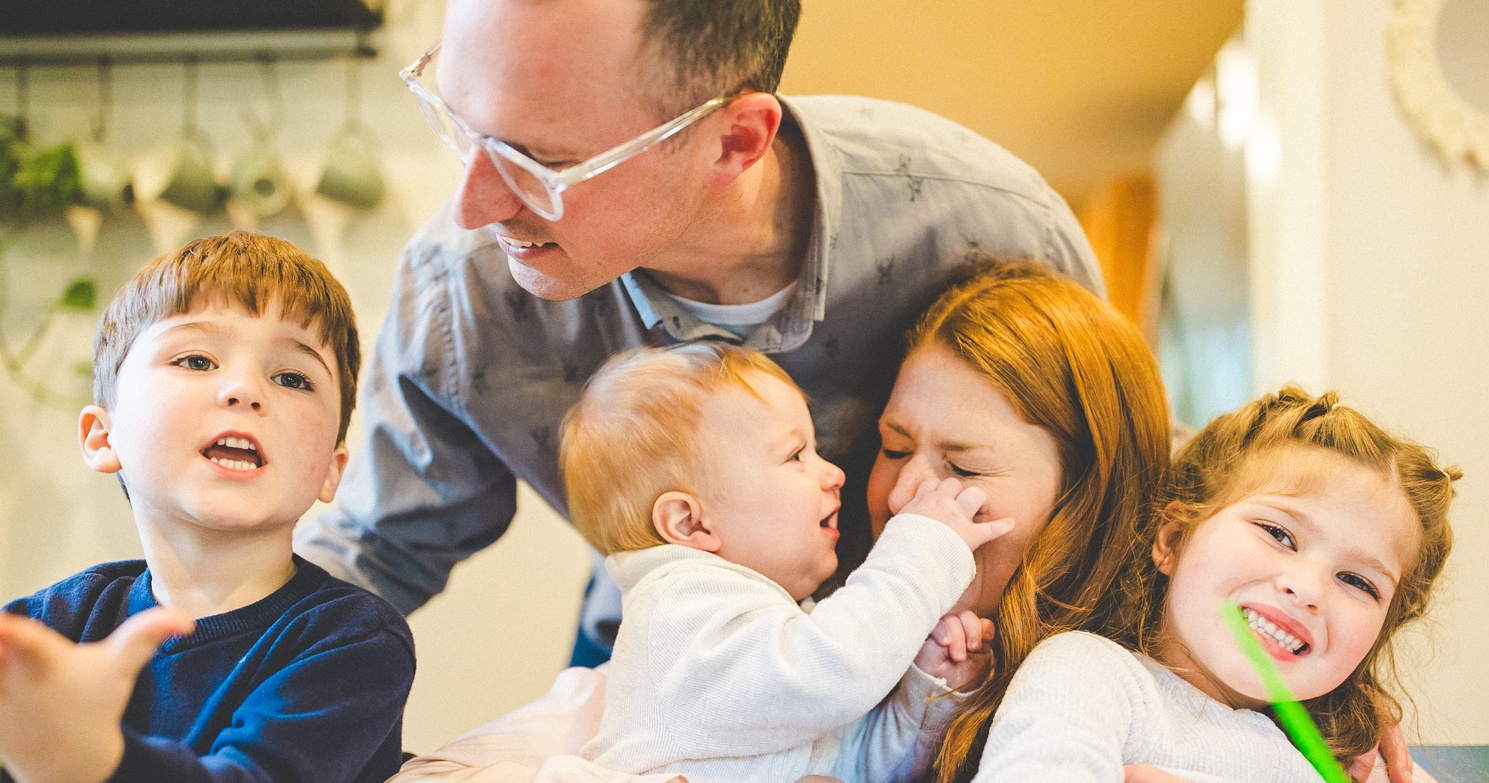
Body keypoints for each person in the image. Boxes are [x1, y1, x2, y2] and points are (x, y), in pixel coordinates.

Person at [294, 0, 1102, 667]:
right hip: (666, 662)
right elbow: (372, 554)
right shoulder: (459, 290)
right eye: (460, 123)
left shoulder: (987, 231)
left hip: (975, 662)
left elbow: (1114, 485)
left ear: (734, 141)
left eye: (539, 164)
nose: (473, 206)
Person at [392, 260, 1173, 783]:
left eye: (962, 465)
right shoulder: (703, 618)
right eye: (893, 450)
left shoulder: (1131, 702)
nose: (904, 498)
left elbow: (858, 764)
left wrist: (930, 697)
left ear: (1086, 495)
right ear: (690, 523)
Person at [953, 387, 1489, 783]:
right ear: (1174, 539)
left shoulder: (1341, 747)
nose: (1308, 587)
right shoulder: (1097, 673)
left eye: (1358, 581)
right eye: (1279, 533)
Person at [0, 233, 416, 783]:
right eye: (196, 358)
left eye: (293, 378)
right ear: (102, 437)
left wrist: (88, 764)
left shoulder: (354, 643)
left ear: (332, 470)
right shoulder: (49, 628)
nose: (245, 390)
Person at [562, 343, 1008, 783]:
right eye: (797, 454)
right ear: (690, 524)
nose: (833, 474)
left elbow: (858, 778)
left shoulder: (773, 636)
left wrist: (928, 692)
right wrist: (923, 547)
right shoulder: (679, 616)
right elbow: (835, 672)